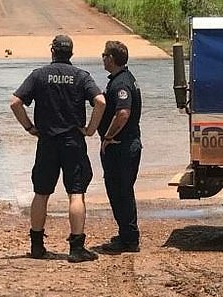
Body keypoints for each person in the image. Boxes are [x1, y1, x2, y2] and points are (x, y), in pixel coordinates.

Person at [10, 35, 106, 262]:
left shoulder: (39, 75)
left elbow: (15, 102)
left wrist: (29, 127)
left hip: (47, 142)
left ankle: (36, 246)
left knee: (41, 193)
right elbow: (100, 101)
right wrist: (91, 129)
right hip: (73, 142)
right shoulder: (81, 76)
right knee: (76, 193)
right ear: (71, 53)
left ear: (53, 51)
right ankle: (76, 248)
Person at [97, 40, 142, 253]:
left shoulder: (121, 84)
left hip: (121, 147)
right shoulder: (124, 79)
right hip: (127, 145)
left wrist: (107, 137)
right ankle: (127, 234)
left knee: (120, 191)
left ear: (112, 59)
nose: (102, 58)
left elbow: (123, 113)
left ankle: (129, 239)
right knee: (122, 191)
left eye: (104, 54)